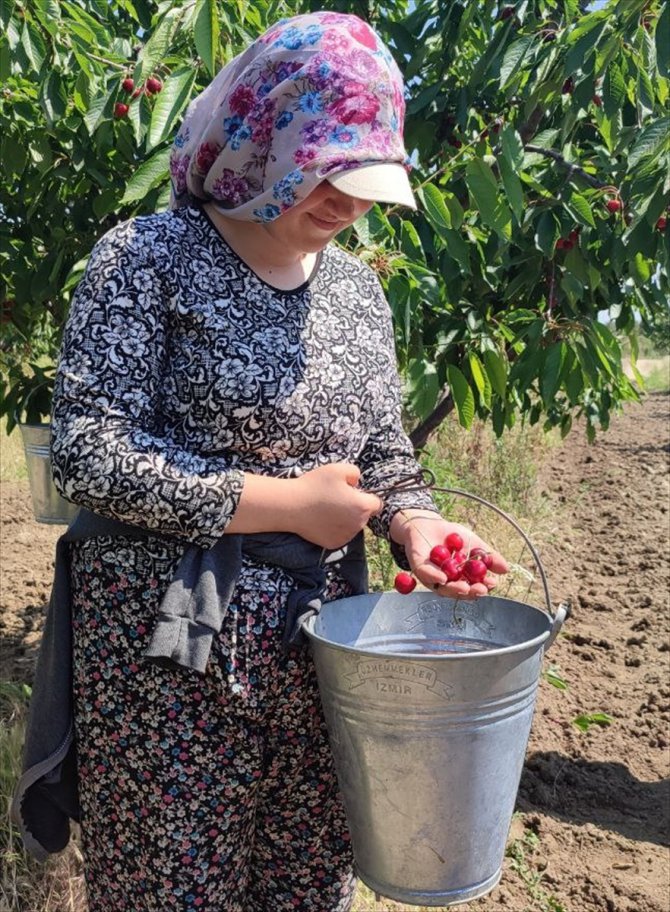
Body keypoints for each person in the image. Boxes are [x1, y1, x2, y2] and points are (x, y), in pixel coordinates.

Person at [15, 11, 508, 912]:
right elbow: (87, 453)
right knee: (172, 890)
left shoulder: (359, 294)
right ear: (265, 137)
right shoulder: (146, 261)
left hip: (324, 653)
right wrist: (285, 503)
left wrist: (416, 524)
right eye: (333, 176)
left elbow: (385, 457)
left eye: (369, 184)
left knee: (307, 885)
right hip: (168, 655)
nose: (351, 206)